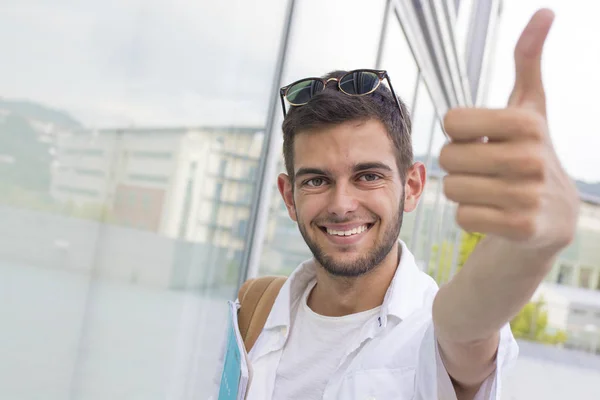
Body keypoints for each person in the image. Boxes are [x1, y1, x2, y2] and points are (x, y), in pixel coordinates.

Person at [214, 8, 580, 400]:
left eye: (368, 176)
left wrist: (526, 249)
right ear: (289, 196)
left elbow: (466, 329)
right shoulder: (257, 307)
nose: (341, 204)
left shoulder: (430, 336)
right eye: (317, 180)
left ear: (413, 185)